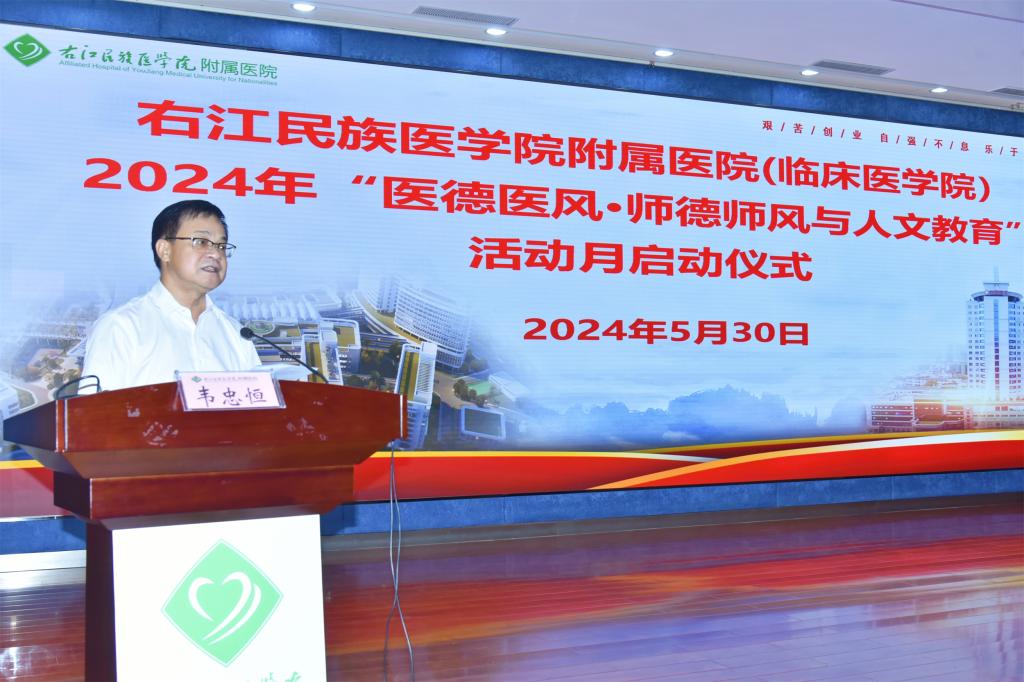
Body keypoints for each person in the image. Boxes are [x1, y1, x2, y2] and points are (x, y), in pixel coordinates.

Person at [82, 200, 261, 391]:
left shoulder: (236, 334)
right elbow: (94, 408)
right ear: (164, 250)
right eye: (201, 242)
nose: (216, 254)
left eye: (222, 246)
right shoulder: (121, 327)